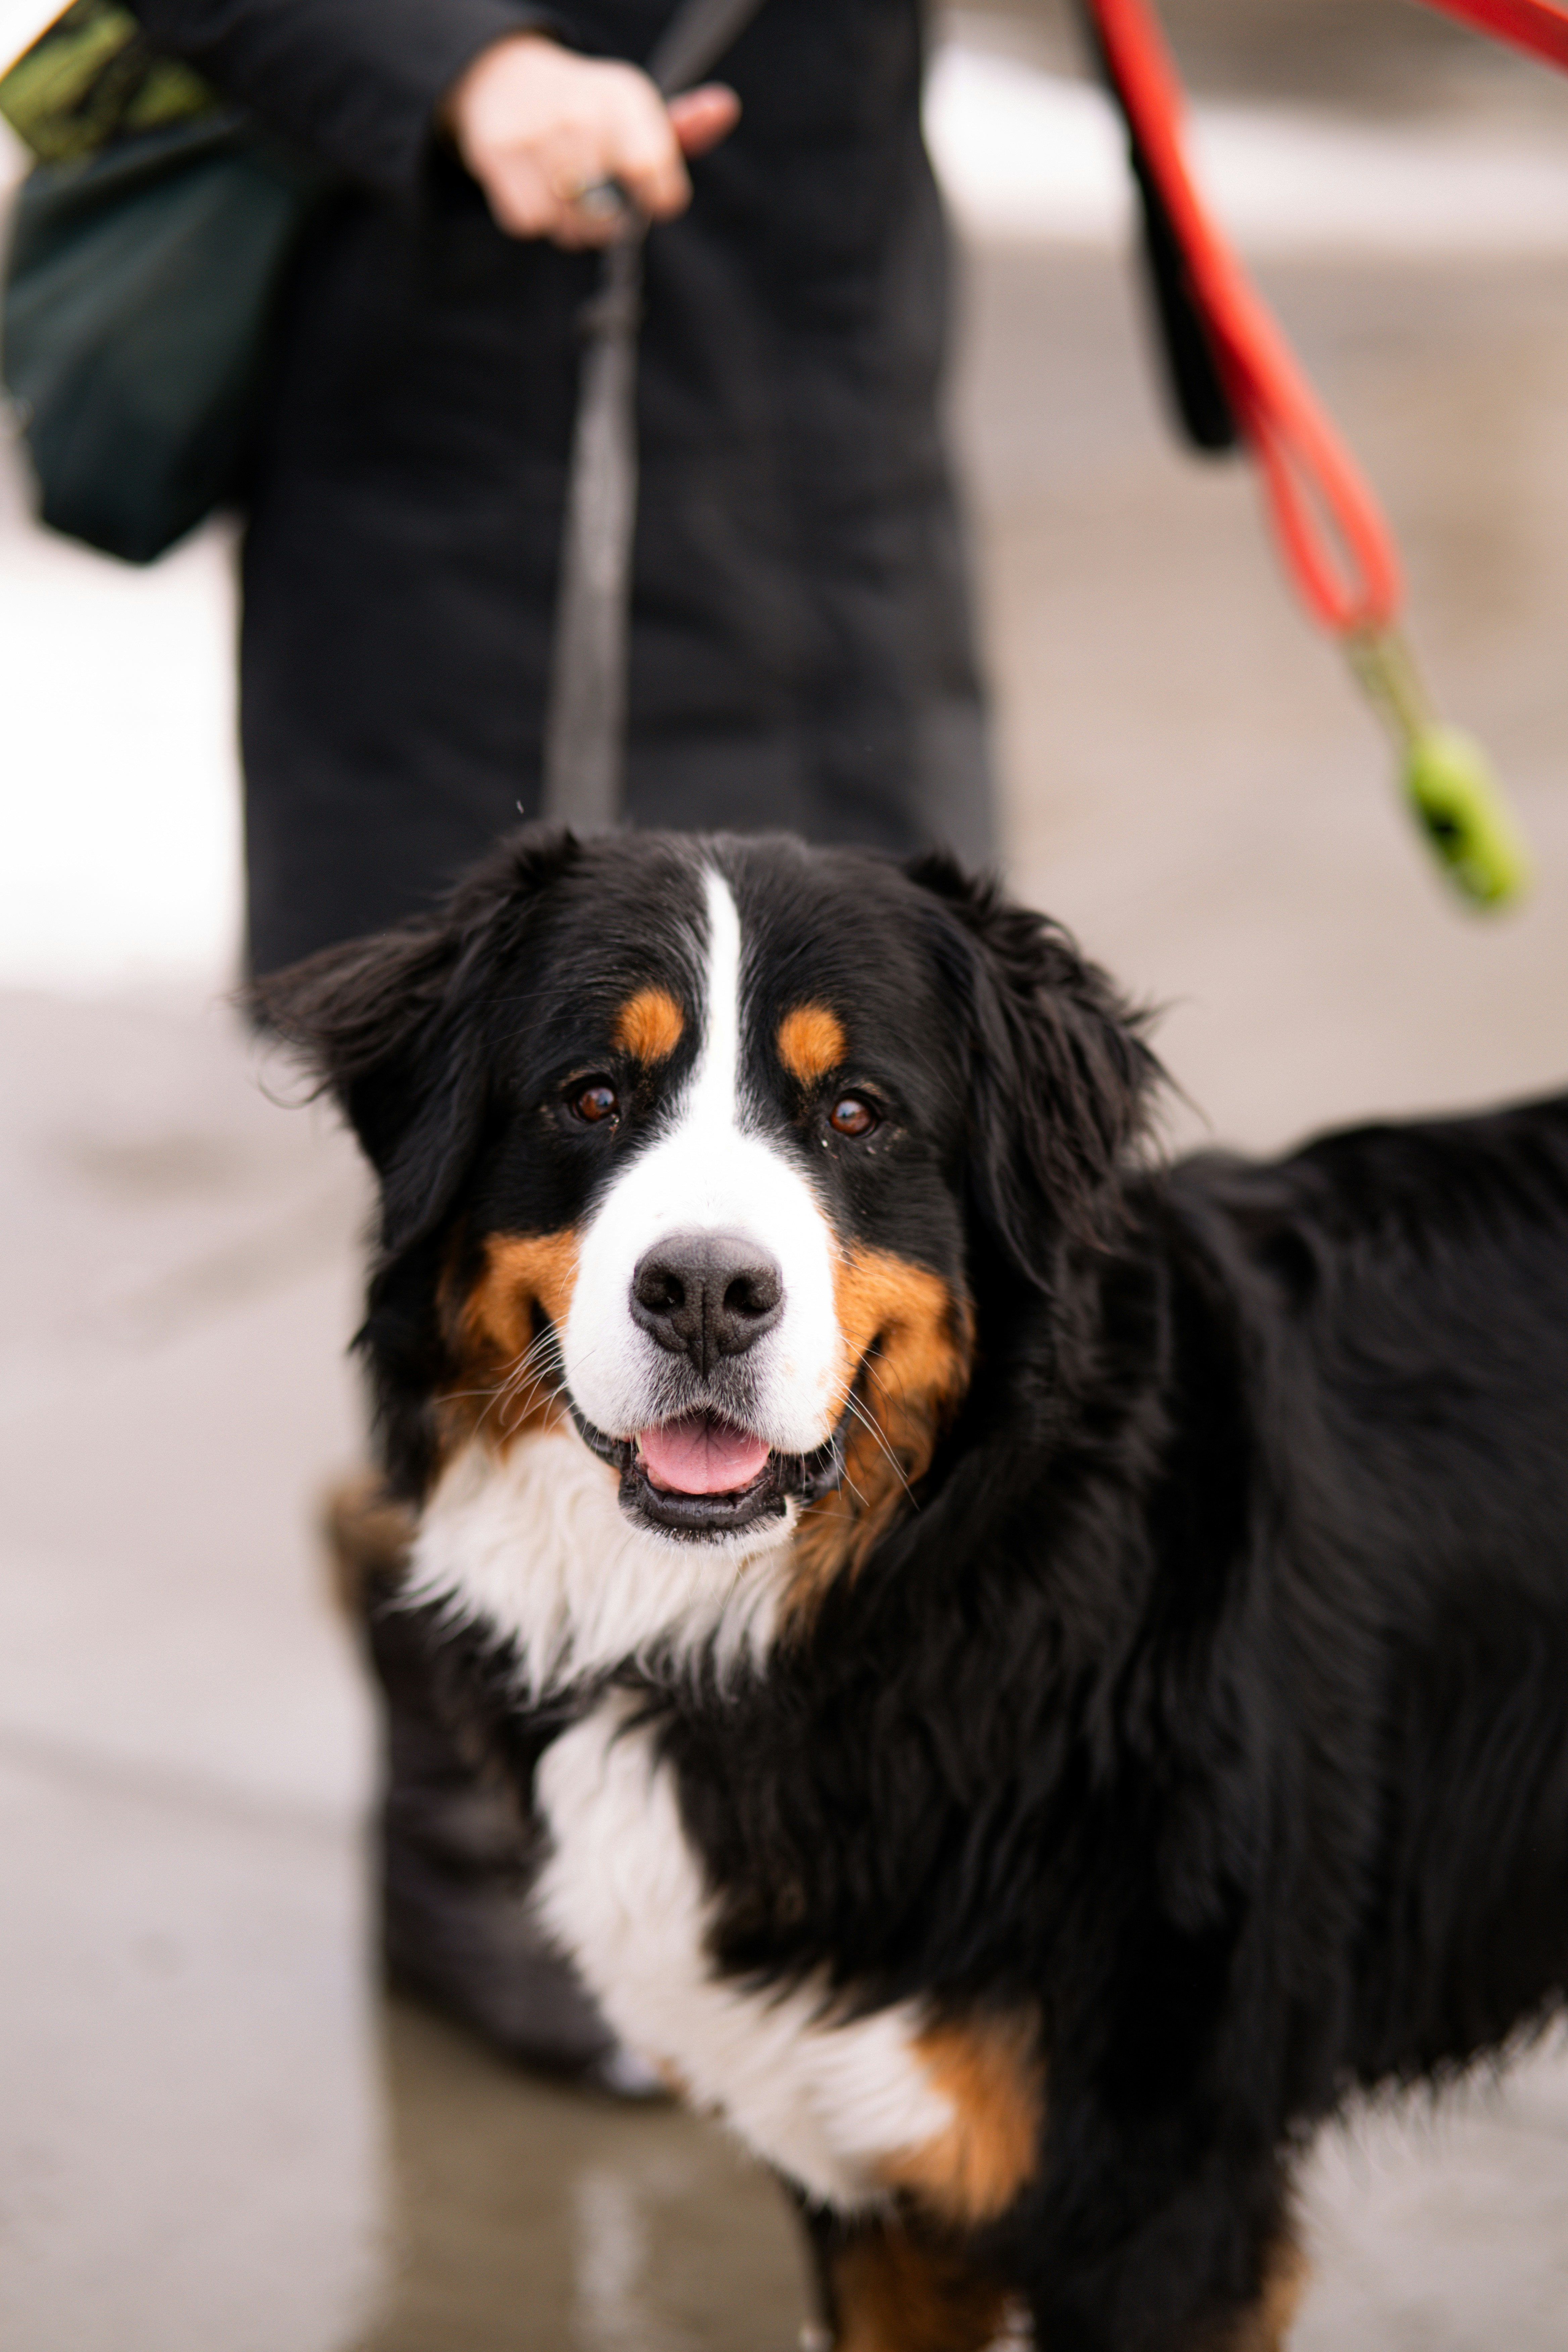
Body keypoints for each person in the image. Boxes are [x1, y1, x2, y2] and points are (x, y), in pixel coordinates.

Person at [129, 0, 997, 2076]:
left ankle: (788, 1798)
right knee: (504, 1173)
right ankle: (483, 1797)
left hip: (818, 382)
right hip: (490, 399)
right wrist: (450, 68)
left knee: (868, 1151)